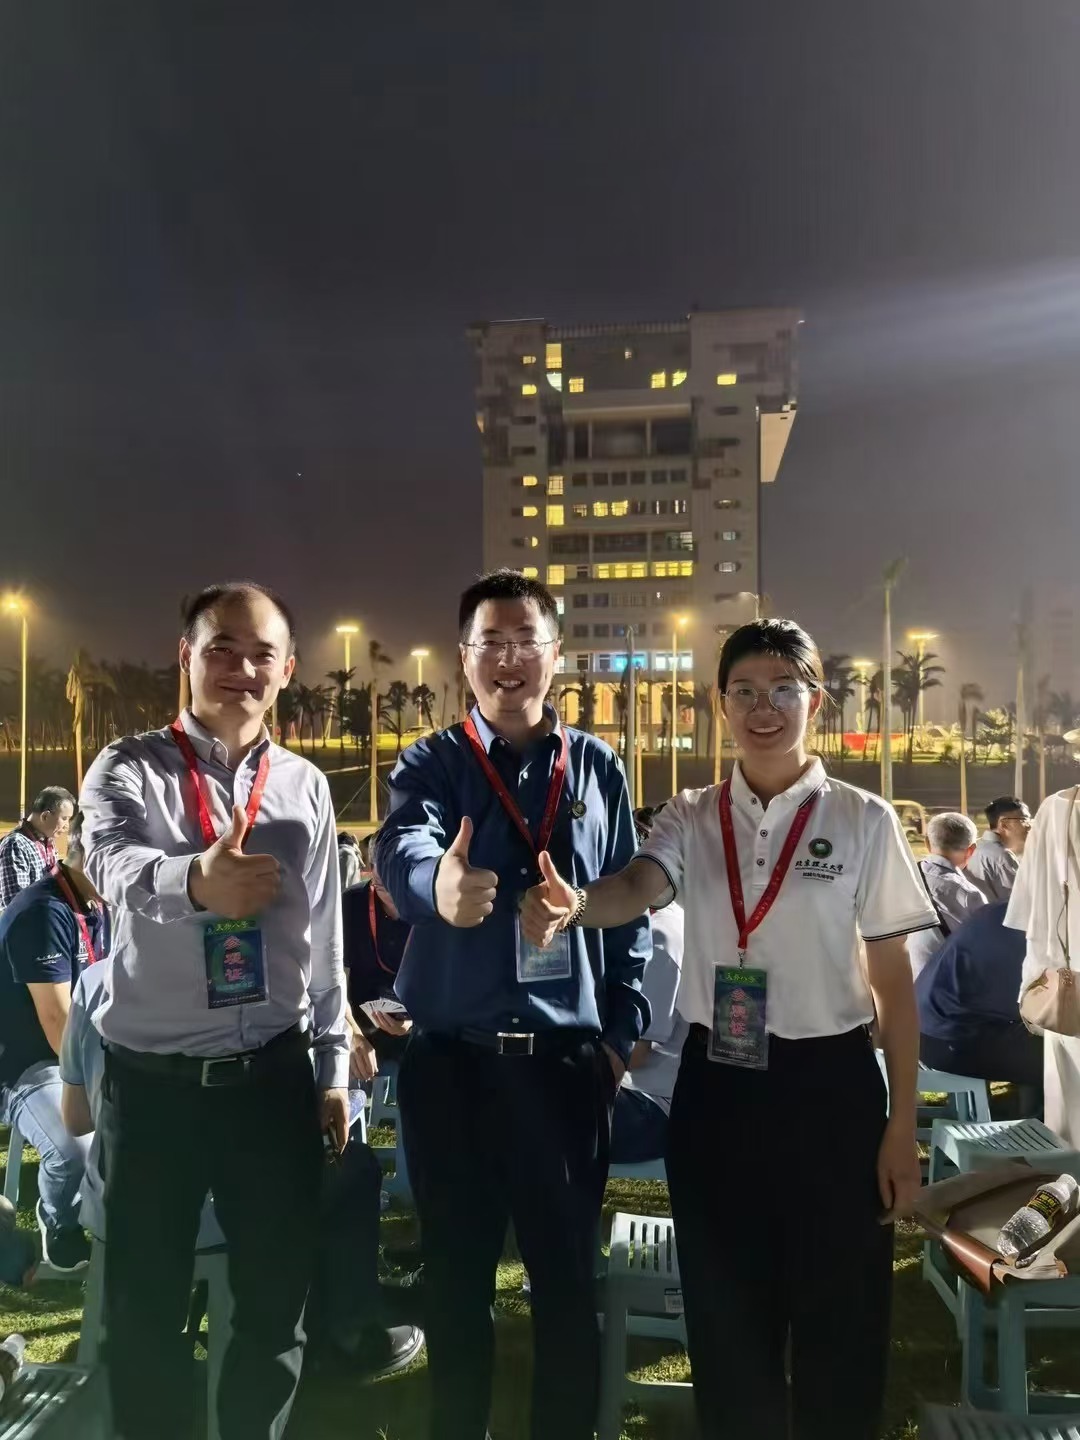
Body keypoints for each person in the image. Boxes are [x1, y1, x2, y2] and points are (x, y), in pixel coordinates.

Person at [521, 617, 938, 1440]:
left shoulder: (863, 819)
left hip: (831, 1088)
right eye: (743, 691)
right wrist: (578, 905)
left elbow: (892, 983)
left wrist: (901, 1126)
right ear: (720, 705)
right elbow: (637, 887)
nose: (763, 708)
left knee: (842, 1315)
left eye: (783, 689)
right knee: (726, 1318)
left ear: (815, 700)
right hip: (719, 1089)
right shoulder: (691, 813)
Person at [375, 567, 650, 1440]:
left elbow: (628, 906)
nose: (508, 658)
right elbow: (402, 849)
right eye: (489, 641)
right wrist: (438, 883)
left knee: (565, 1284)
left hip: (563, 1072)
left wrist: (618, 1036)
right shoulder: (433, 762)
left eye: (525, 640)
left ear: (556, 654)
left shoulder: (596, 767)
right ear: (463, 658)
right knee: (454, 1284)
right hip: (451, 1066)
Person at [79, 580, 350, 1440]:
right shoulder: (127, 766)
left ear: (289, 670)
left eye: (262, 654)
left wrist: (333, 1067)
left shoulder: (304, 785)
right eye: (222, 648)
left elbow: (325, 939)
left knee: (274, 1308)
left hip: (271, 1081)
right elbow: (109, 862)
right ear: (186, 656)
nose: (242, 668)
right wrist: (194, 879)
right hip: (152, 1088)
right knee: (144, 1312)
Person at [59, 961, 423, 1381]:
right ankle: (348, 1329)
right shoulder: (252, 975)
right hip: (222, 1204)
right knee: (350, 1169)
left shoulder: (92, 981)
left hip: (117, 1193)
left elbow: (77, 1118)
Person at [0, 812, 105, 1272]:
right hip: (27, 1063)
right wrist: (105, 1086)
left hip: (80, 1049)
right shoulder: (43, 912)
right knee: (75, 1147)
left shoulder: (97, 903)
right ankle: (60, 1219)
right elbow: (56, 1022)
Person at [610, 805, 686, 1166]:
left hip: (651, 1107)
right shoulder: (660, 922)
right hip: (641, 1097)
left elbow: (634, 1053)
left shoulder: (661, 934)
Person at [1005, 785, 1080, 1145]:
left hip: (1068, 979)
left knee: (1070, 1099)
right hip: (1068, 980)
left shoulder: (1056, 808)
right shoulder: (1056, 808)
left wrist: (1033, 981)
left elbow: (1031, 907)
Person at [917, 901, 1042, 1116]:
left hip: (929, 1026)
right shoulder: (1026, 942)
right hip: (949, 1040)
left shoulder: (1003, 911)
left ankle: (1037, 1112)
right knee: (1057, 1057)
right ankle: (1047, 1124)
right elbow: (1041, 1013)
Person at [907, 812, 987, 979]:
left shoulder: (903, 878)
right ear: (971, 850)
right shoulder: (969, 894)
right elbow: (984, 950)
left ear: (927, 843)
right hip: (944, 986)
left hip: (903, 984)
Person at [0, 786, 76, 908]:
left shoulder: (48, 842)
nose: (67, 826)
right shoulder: (16, 844)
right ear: (45, 816)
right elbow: (16, 904)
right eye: (64, 819)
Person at [966, 795, 1031, 903]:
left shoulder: (979, 848)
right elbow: (1020, 901)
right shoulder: (1001, 855)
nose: (1029, 826)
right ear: (1004, 824)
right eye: (1024, 820)